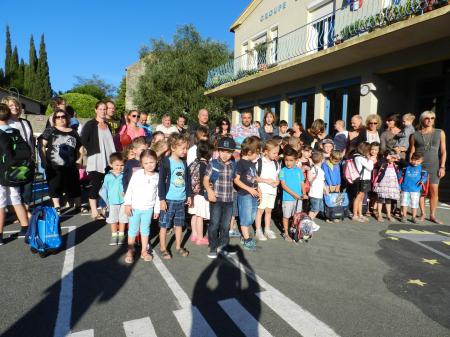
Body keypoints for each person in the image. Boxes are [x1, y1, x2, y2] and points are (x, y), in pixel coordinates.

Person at [39, 110, 83, 213]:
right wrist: (44, 160)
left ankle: (78, 204)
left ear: (67, 118)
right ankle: (57, 206)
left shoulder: (73, 131)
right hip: (54, 165)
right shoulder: (50, 130)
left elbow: (80, 147)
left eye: (63, 116)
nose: (60, 119)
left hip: (71, 164)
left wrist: (80, 159)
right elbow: (41, 145)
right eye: (57, 117)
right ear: (54, 119)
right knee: (55, 185)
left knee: (74, 184)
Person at [409, 111, 446, 224]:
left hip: (434, 166)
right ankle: (423, 214)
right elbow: (412, 152)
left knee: (434, 191)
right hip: (419, 166)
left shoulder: (440, 132)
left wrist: (442, 167)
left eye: (432, 118)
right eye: (427, 118)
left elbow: (443, 151)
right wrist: (412, 165)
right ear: (422, 120)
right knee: (421, 190)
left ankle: (432, 215)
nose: (430, 120)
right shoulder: (415, 135)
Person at [158, 133, 191, 259]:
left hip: (181, 200)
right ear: (173, 147)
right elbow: (161, 181)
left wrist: (188, 195)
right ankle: (163, 248)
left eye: (186, 148)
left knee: (179, 224)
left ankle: (178, 246)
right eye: (182, 148)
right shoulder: (166, 162)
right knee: (164, 225)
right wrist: (162, 199)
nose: (185, 151)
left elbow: (187, 180)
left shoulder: (184, 163)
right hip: (168, 199)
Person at [81, 101, 116, 219]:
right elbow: (83, 140)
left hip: (108, 160)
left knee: (107, 185)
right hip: (96, 159)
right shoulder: (90, 124)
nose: (103, 111)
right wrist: (93, 151)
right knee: (96, 185)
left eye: (105, 109)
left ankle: (105, 209)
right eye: (100, 109)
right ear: (96, 110)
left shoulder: (108, 125)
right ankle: (94, 212)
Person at [124, 149, 160, 263]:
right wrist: (127, 204)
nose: (149, 165)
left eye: (152, 162)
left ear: (156, 161)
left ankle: (144, 251)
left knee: (145, 230)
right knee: (132, 230)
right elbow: (129, 189)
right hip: (134, 208)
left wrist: (157, 209)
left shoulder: (157, 176)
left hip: (148, 209)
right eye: (146, 163)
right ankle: (130, 250)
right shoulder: (137, 174)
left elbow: (159, 195)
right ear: (141, 163)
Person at [0, 103, 29, 243]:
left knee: (0, 203)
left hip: (1, 171)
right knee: (15, 198)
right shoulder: (13, 131)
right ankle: (25, 228)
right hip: (15, 170)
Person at [204, 137, 237, 258]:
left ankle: (223, 245)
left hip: (228, 200)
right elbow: (206, 179)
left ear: (232, 152)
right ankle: (213, 246)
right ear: (218, 151)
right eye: (222, 151)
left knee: (225, 225)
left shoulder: (233, 164)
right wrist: (210, 191)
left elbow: (235, 180)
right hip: (216, 200)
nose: (225, 154)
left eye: (228, 152)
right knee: (214, 223)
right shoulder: (212, 164)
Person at [2, 96, 34, 217]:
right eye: (11, 105)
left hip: (27, 160)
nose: (15, 107)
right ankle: (19, 213)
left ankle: (25, 210)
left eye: (16, 105)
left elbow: (30, 140)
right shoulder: (5, 123)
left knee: (27, 188)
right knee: (14, 188)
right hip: (13, 161)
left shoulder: (25, 122)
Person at [234, 136, 261, 250]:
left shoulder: (251, 163)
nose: (258, 155)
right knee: (245, 218)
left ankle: (245, 235)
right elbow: (236, 179)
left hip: (253, 194)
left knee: (252, 217)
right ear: (250, 152)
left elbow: (254, 178)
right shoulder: (240, 163)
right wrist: (249, 189)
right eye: (257, 152)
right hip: (245, 195)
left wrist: (258, 190)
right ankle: (246, 238)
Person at [188, 141, 212, 246]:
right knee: (200, 217)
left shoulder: (194, 162)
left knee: (194, 215)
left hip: (193, 194)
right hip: (201, 194)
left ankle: (194, 234)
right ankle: (200, 238)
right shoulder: (206, 165)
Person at [255, 139, 280, 241]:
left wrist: (277, 182)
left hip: (272, 191)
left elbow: (277, 177)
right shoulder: (259, 162)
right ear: (266, 151)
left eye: (277, 153)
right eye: (274, 153)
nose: (276, 155)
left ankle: (267, 229)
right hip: (262, 190)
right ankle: (258, 230)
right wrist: (266, 181)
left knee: (269, 211)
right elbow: (255, 177)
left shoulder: (276, 163)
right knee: (260, 211)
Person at [100, 152, 127, 246]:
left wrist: (126, 193)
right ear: (110, 165)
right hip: (111, 203)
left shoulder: (125, 175)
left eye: (122, 165)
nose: (119, 167)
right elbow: (103, 191)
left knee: (123, 219)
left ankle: (121, 235)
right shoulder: (107, 177)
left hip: (123, 202)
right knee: (113, 220)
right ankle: (114, 236)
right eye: (117, 165)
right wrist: (103, 204)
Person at [280, 146, 306, 241]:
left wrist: (304, 193)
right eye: (286, 160)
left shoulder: (299, 171)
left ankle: (294, 231)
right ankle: (286, 233)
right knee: (286, 216)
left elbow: (302, 183)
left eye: (291, 160)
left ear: (296, 160)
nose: (288, 162)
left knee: (296, 217)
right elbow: (283, 186)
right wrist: (294, 194)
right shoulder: (283, 171)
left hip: (298, 199)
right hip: (287, 198)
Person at [399, 152, 427, 224]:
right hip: (405, 188)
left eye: (418, 161)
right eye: (414, 160)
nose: (416, 162)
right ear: (411, 159)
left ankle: (413, 217)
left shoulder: (422, 168)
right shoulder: (406, 167)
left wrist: (422, 181)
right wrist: (399, 186)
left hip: (416, 189)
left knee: (414, 204)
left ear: (421, 161)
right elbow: (399, 176)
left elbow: (425, 177)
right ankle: (404, 216)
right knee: (404, 203)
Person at [373, 151, 400, 222]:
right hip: (382, 184)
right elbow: (377, 164)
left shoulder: (395, 164)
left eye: (393, 157)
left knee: (388, 200)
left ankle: (388, 214)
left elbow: (405, 164)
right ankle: (379, 215)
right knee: (380, 199)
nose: (392, 158)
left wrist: (398, 158)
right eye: (391, 157)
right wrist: (385, 159)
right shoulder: (383, 163)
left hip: (391, 185)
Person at [352, 142, 374, 222]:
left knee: (362, 197)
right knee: (359, 197)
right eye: (369, 149)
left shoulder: (362, 158)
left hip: (366, 179)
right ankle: (355, 215)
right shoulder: (359, 158)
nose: (370, 151)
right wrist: (371, 160)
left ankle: (360, 214)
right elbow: (370, 167)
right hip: (362, 179)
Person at [308, 151, 326, 220]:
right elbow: (310, 179)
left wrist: (325, 189)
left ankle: (310, 220)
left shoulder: (318, 169)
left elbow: (322, 182)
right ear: (322, 160)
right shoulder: (315, 169)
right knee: (314, 209)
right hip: (315, 193)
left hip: (318, 193)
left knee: (317, 209)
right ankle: (309, 221)